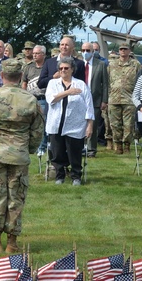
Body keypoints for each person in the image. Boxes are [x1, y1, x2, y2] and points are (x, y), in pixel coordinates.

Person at [0, 58, 45, 253]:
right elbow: (38, 130)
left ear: (2, 76)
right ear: (21, 76)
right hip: (19, 155)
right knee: (16, 197)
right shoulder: (30, 99)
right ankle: (12, 243)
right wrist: (28, 148)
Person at [45, 57, 94, 185]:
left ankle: (76, 176)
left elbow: (89, 106)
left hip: (76, 125)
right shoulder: (53, 84)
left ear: (72, 69)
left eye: (66, 68)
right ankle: (59, 175)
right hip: (56, 124)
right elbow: (51, 99)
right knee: (57, 152)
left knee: (74, 152)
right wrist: (68, 92)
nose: (63, 70)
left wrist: (90, 125)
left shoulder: (81, 84)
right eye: (61, 68)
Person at [106, 41, 137, 155]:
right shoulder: (112, 65)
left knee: (128, 125)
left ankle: (127, 145)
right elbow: (107, 81)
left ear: (129, 51)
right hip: (114, 99)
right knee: (115, 124)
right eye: (121, 49)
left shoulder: (135, 65)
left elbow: (139, 80)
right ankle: (118, 145)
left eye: (125, 49)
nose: (123, 51)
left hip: (129, 99)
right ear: (119, 51)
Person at [80, 41, 108, 157]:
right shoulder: (78, 64)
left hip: (95, 99)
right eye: (83, 51)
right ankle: (80, 147)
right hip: (79, 99)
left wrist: (104, 100)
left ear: (93, 51)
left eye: (88, 50)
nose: (85, 53)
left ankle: (91, 150)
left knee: (93, 125)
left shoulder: (100, 64)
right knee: (80, 124)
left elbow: (105, 83)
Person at [22, 44, 49, 156]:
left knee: (42, 124)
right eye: (33, 53)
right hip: (30, 99)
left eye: (37, 53)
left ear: (43, 54)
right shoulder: (28, 67)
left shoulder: (47, 66)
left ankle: (42, 147)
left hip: (43, 99)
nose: (34, 55)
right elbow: (24, 82)